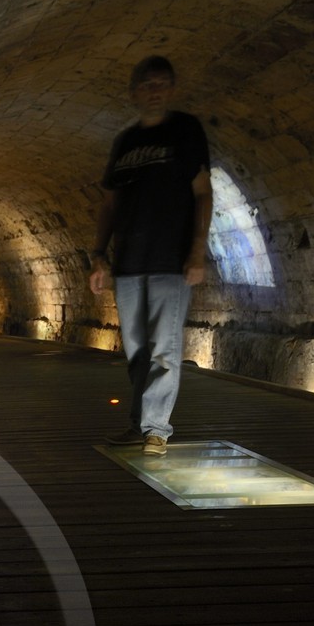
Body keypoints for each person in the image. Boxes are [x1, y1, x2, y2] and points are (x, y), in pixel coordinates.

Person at [90, 56, 212, 455]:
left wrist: (197, 249)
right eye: (147, 84)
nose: (155, 90)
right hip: (128, 263)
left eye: (162, 83)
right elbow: (109, 202)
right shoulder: (125, 142)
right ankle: (138, 424)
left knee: (164, 348)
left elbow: (202, 191)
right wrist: (98, 254)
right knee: (137, 350)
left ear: (172, 89)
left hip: (169, 261)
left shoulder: (186, 131)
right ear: (134, 92)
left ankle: (156, 429)